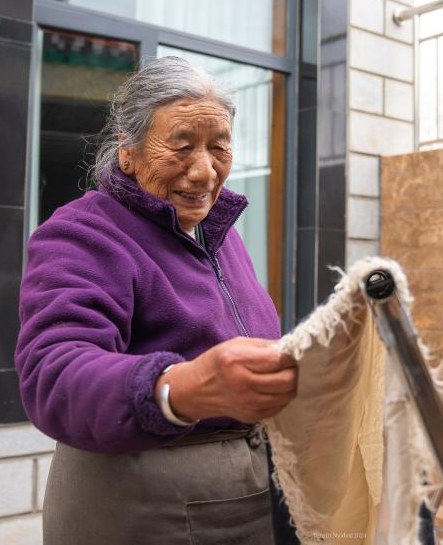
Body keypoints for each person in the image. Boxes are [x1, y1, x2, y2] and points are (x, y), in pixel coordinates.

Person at [15, 56, 298, 545]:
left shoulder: (220, 235)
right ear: (128, 151)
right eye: (182, 147)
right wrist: (183, 387)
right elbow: (53, 375)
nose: (205, 171)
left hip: (249, 500)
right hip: (140, 509)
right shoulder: (84, 233)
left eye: (219, 146)